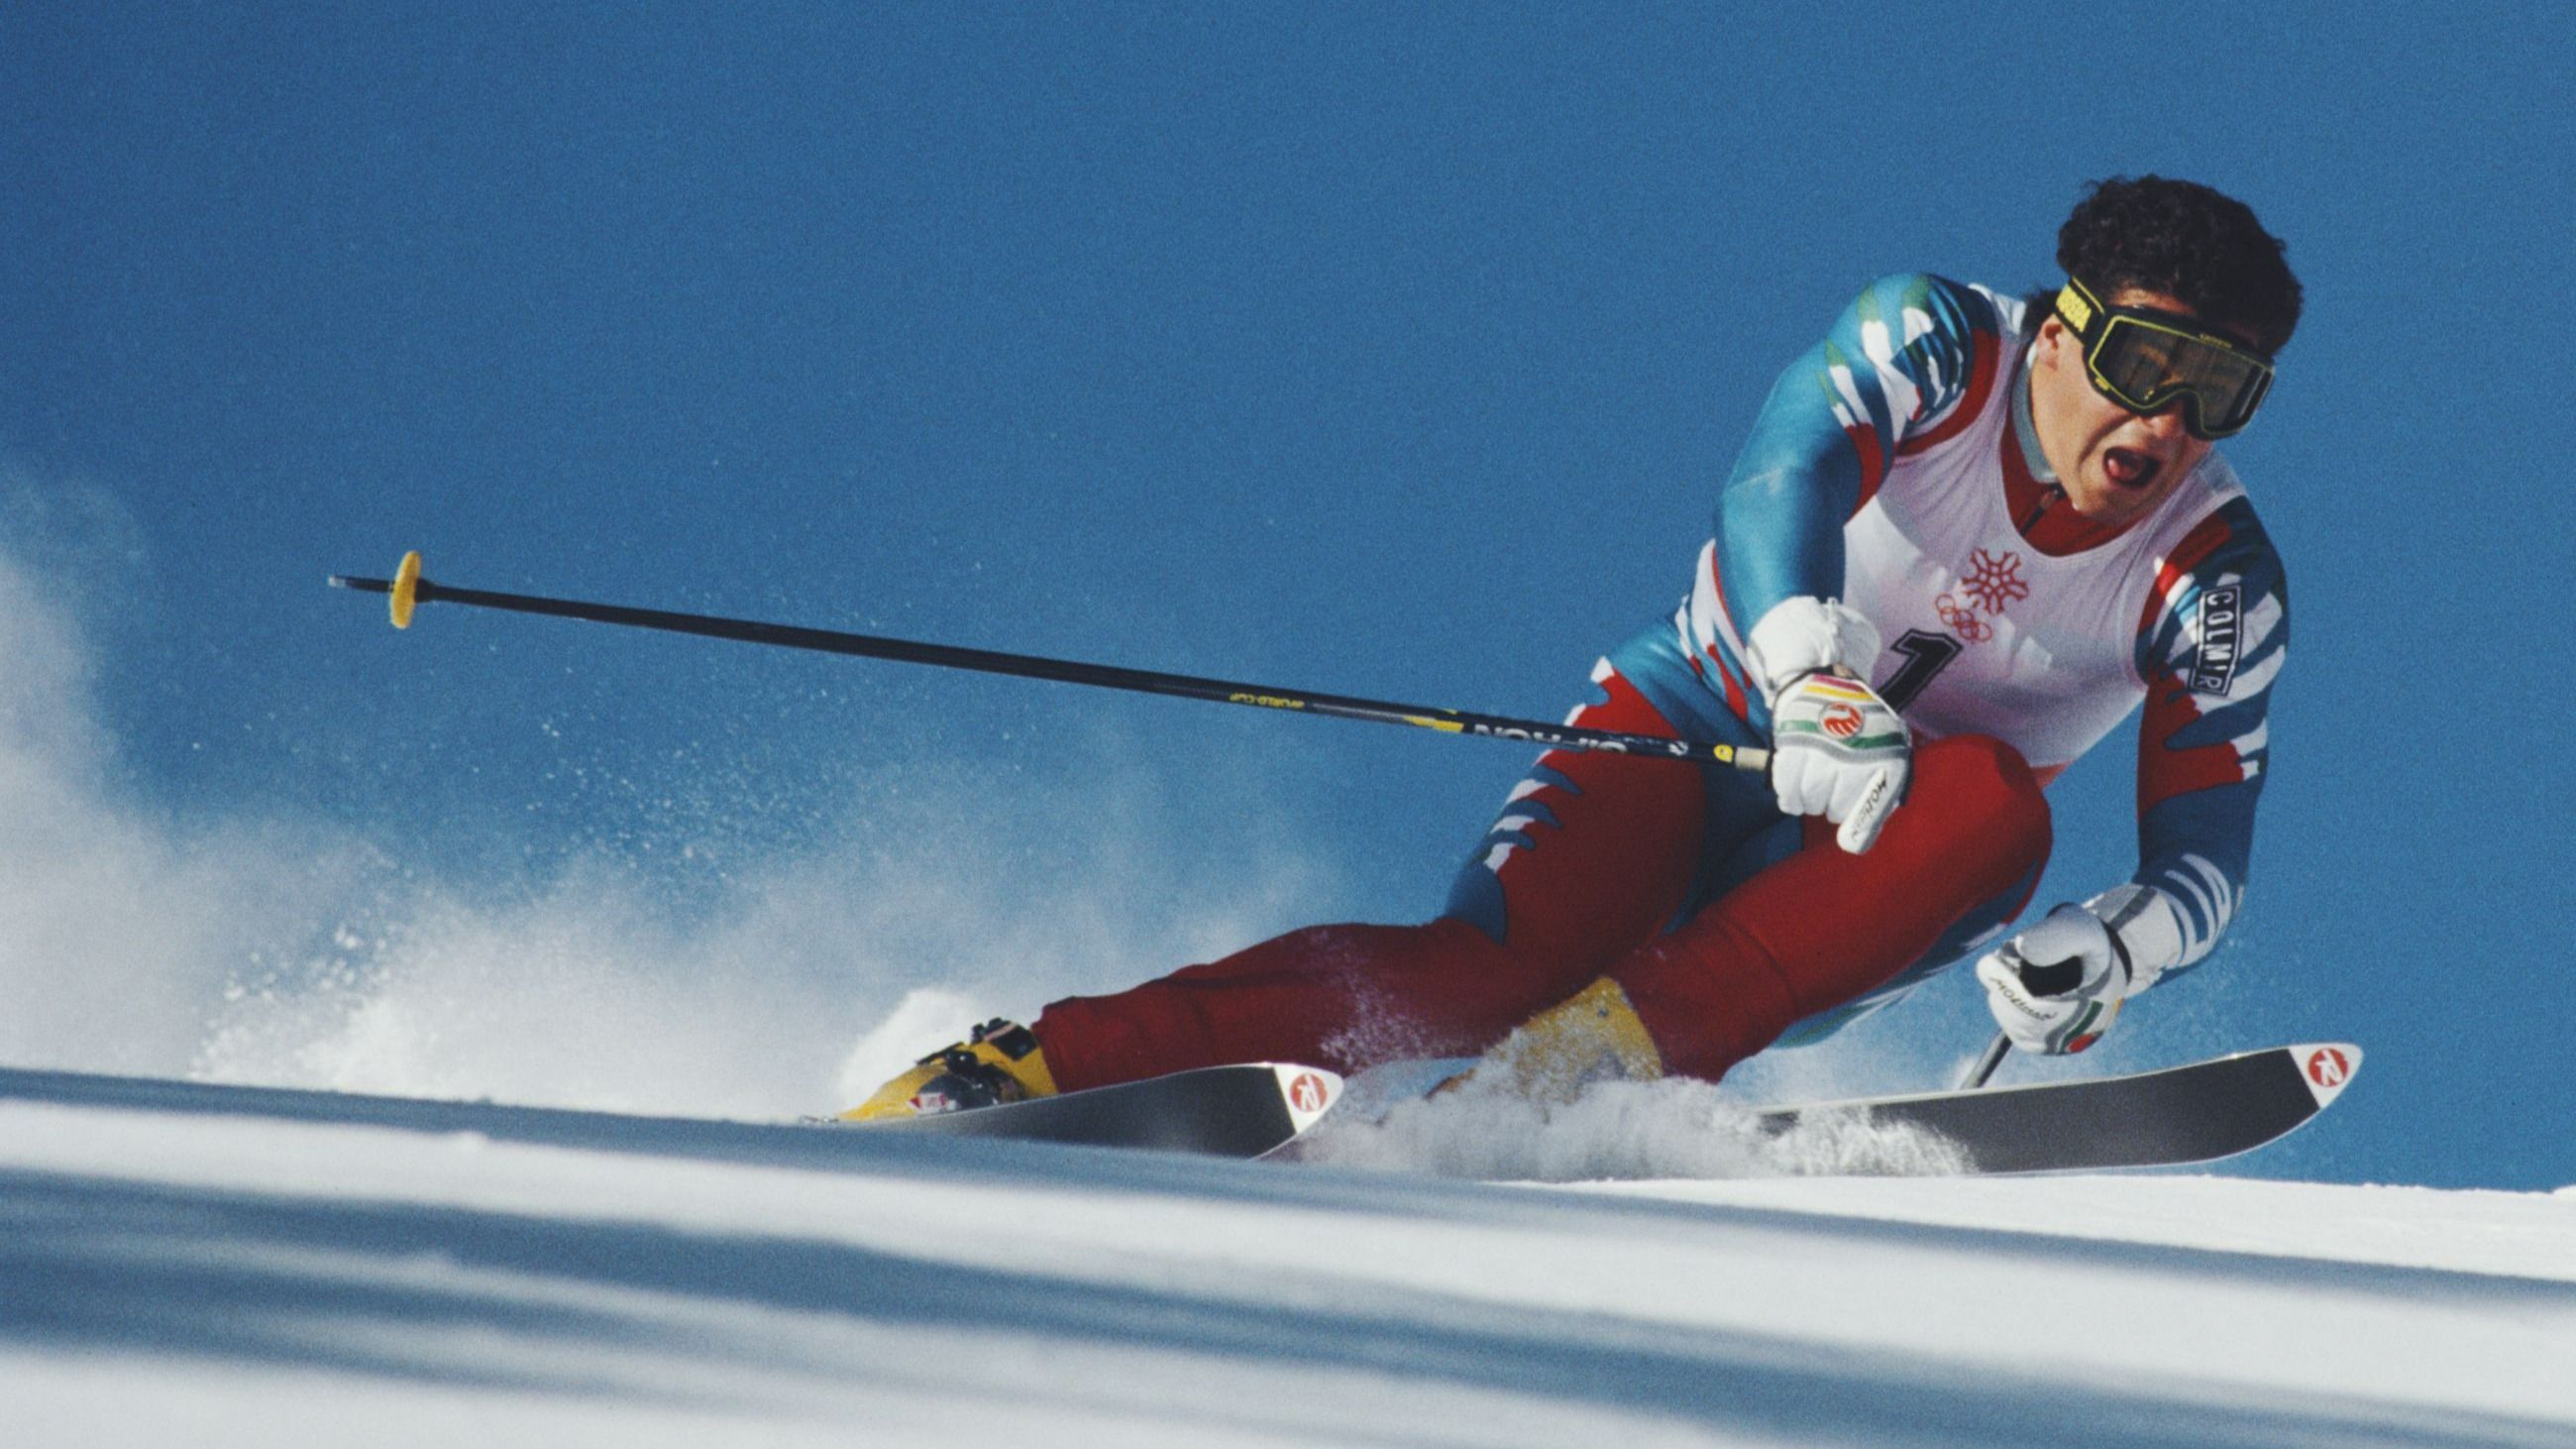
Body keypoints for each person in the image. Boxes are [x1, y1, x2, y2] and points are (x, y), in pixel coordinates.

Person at [847, 175, 2301, 1120]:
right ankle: (1032, 1066)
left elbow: (2203, 864)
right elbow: (1782, 473)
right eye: (2141, 364)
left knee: (1995, 804)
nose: (2165, 423)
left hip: (1866, 869)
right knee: (1492, 974)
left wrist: (2120, 949)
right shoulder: (1938, 345)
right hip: (1703, 718)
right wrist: (1808, 669)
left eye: (2218, 393)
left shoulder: (2212, 576)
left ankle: (1560, 1087)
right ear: (2057, 334)